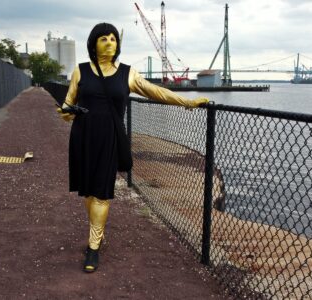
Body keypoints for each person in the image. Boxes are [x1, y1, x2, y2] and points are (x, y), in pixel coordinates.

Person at [56, 23, 209, 273]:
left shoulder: (128, 73)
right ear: (93, 44)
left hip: (110, 139)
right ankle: (98, 232)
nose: (109, 43)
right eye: (103, 39)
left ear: (118, 44)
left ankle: (93, 246)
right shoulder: (80, 71)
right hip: (83, 137)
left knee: (102, 192)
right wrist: (66, 113)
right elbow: (68, 102)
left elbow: (155, 91)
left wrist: (186, 102)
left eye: (113, 39)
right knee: (88, 192)